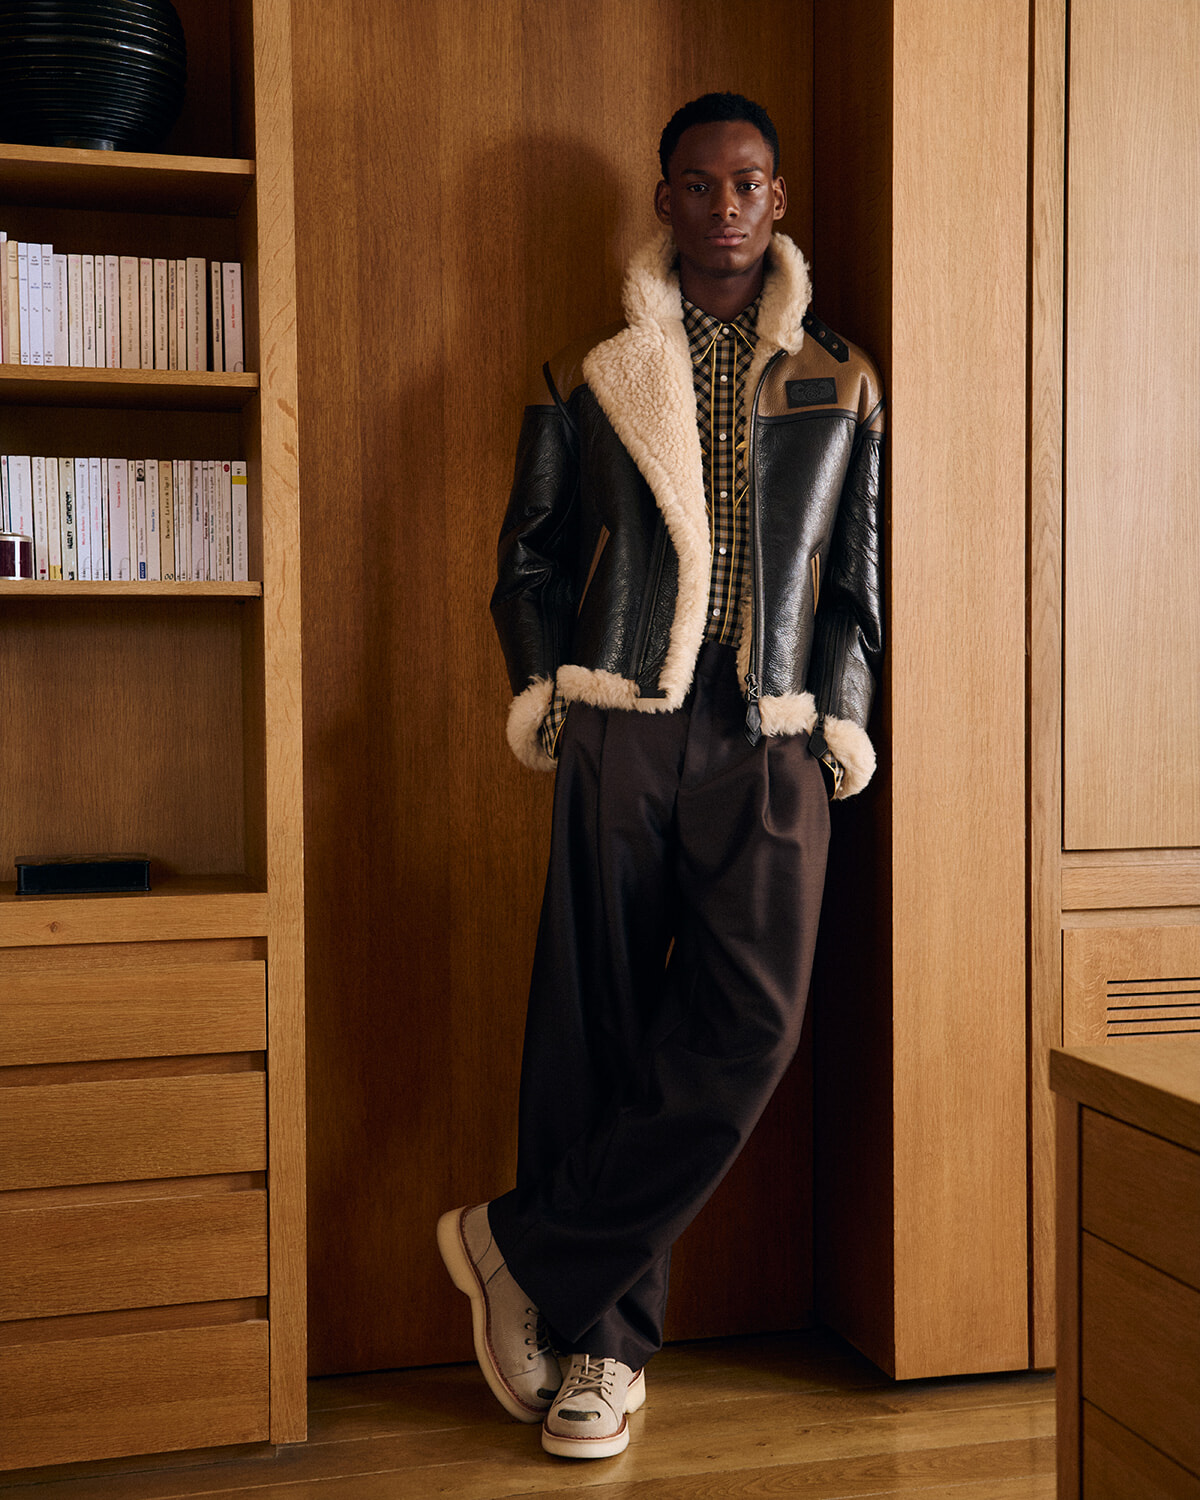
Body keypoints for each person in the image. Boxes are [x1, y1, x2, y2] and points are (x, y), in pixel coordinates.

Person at [438, 90, 883, 1461]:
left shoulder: (839, 375)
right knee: (597, 1028)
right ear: (667, 201)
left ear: (782, 197)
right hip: (624, 722)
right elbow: (528, 554)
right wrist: (544, 694)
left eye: (751, 183)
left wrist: (841, 720)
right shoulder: (589, 372)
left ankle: (519, 1242)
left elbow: (859, 585)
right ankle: (603, 1356)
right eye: (701, 185)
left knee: (751, 1026)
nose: (729, 207)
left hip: (771, 736)